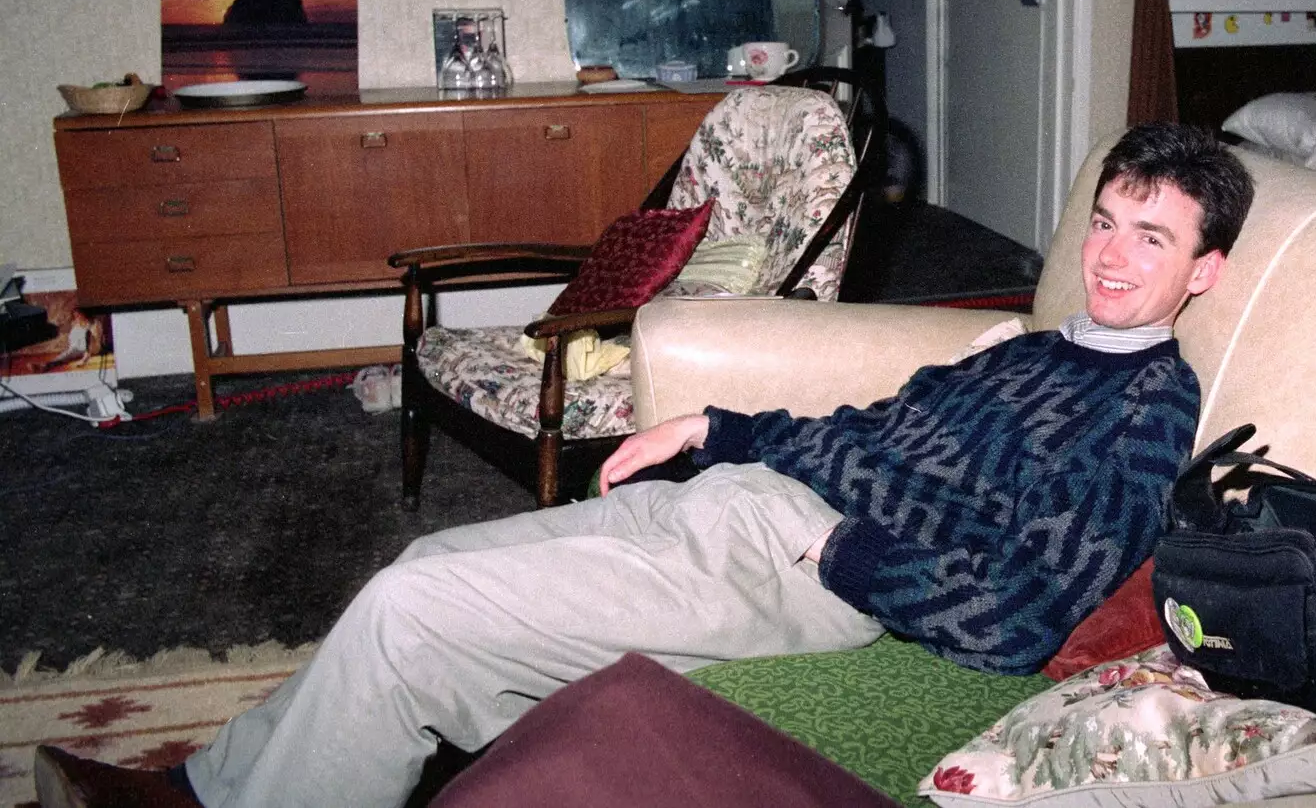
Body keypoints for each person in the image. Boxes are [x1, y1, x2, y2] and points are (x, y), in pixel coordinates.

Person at [34, 122, 1254, 808]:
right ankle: (210, 789)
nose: (1108, 255)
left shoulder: (1146, 408)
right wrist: (716, 429)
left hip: (800, 568)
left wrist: (830, 544)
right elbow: (868, 434)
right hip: (747, 504)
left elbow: (1016, 614)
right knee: (421, 572)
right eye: (1104, 220)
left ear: (1201, 270)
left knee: (416, 610)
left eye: (1151, 237)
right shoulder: (1018, 351)